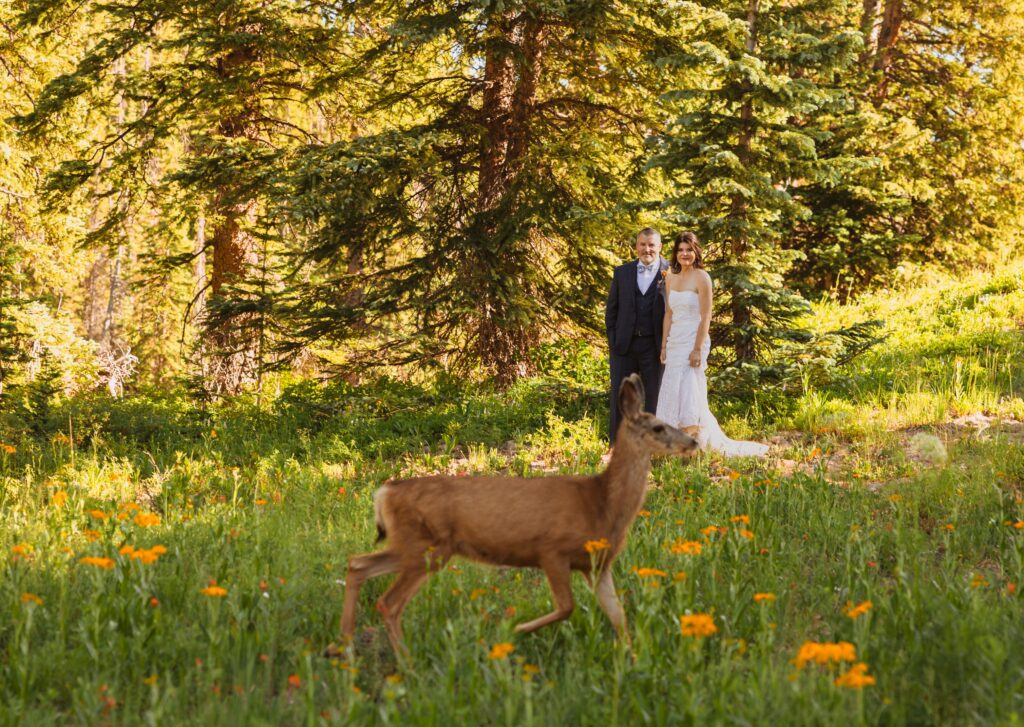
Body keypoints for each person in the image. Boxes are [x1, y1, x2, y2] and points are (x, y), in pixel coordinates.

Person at [656, 231, 769, 457]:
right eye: (680, 250)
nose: (684, 254)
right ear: (675, 253)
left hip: (694, 338)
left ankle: (694, 440)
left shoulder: (702, 277)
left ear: (696, 251)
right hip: (676, 340)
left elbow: (706, 315)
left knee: (690, 388)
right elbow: (668, 313)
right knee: (673, 386)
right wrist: (664, 345)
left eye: (689, 249)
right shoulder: (670, 277)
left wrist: (697, 348)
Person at [605, 228, 668, 446]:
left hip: (655, 345)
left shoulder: (672, 272)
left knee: (654, 396)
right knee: (622, 397)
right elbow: (611, 310)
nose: (647, 249)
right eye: (642, 244)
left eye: (652, 245)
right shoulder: (622, 272)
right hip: (624, 345)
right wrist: (613, 340)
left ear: (660, 247)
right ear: (636, 246)